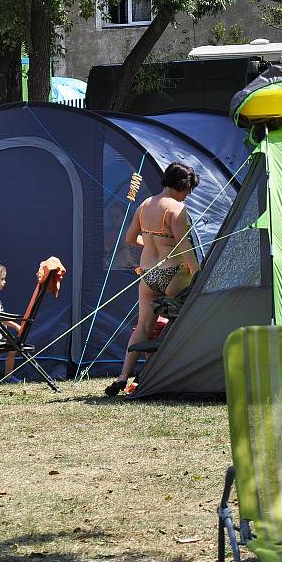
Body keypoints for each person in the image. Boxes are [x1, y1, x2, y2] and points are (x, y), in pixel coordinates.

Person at [105, 162, 201, 396]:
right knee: (181, 318)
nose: (188, 195)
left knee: (143, 327)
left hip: (148, 274)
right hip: (173, 272)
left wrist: (150, 243)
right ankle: (170, 370)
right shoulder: (177, 210)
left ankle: (122, 376)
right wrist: (199, 273)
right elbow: (186, 249)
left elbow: (130, 239)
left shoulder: (144, 205)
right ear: (183, 186)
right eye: (189, 190)